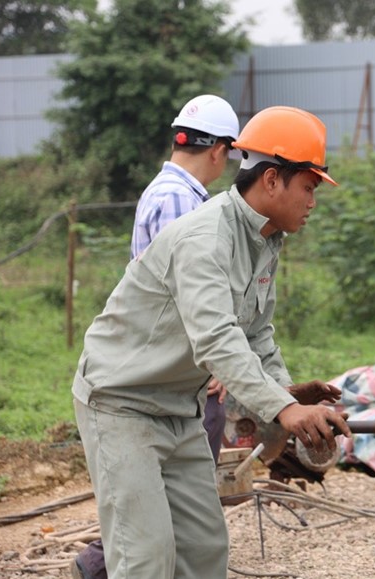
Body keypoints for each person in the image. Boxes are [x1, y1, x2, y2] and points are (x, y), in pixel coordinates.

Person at [71, 105, 350, 579]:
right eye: (308, 186)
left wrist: (282, 394)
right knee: (145, 560)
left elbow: (256, 333)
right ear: (271, 181)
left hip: (180, 407)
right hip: (121, 404)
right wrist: (284, 412)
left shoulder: (264, 240)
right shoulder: (206, 236)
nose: (312, 201)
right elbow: (216, 338)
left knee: (203, 552)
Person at [71, 94, 241, 579]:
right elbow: (186, 293)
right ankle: (100, 564)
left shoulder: (175, 192)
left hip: (170, 367)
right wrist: (215, 361)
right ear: (218, 151)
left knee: (184, 530)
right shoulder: (178, 200)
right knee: (153, 536)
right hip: (154, 380)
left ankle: (102, 563)